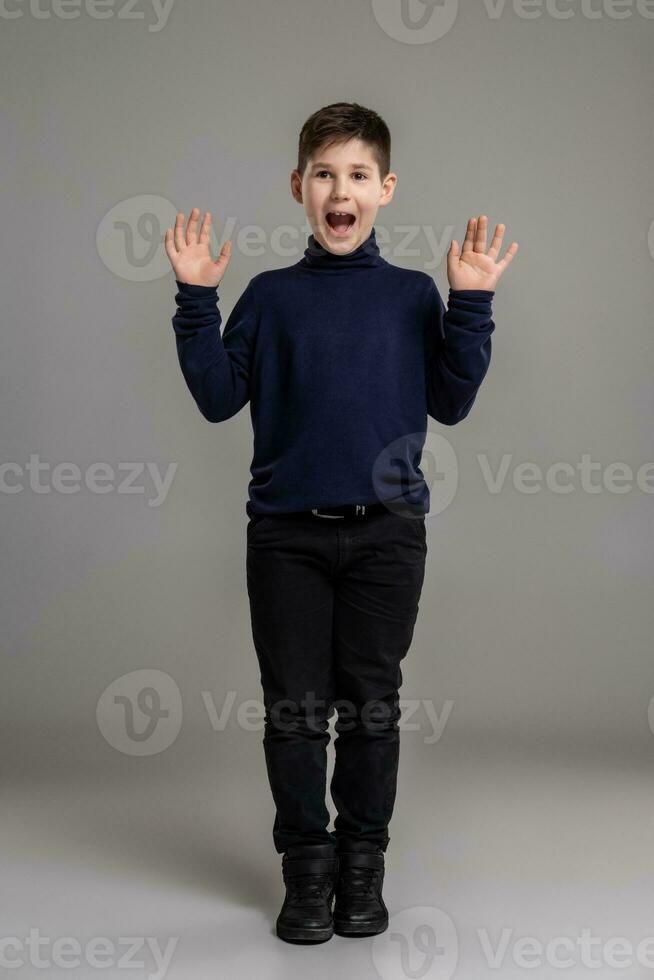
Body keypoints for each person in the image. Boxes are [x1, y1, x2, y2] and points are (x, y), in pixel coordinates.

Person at [165, 101, 518, 945]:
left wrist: (470, 305)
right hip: (285, 535)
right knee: (294, 709)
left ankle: (363, 869)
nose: (340, 189)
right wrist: (194, 298)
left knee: (370, 708)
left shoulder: (410, 295)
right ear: (299, 187)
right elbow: (218, 399)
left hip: (388, 535)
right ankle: (306, 872)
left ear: (385, 189)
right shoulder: (271, 296)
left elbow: (452, 402)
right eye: (325, 173)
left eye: (358, 175)